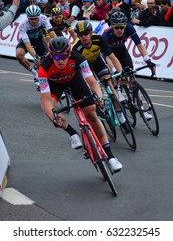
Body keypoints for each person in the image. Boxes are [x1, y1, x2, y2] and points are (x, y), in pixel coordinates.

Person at [38, 36, 123, 173]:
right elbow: (47, 100)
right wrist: (52, 114)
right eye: (56, 57)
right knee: (48, 110)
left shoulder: (78, 58)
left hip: (74, 80)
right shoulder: (44, 68)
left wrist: (99, 97)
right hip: (55, 85)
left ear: (69, 53)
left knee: (92, 115)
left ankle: (111, 157)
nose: (60, 60)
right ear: (51, 55)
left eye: (63, 56)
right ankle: (72, 134)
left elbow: (92, 82)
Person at [73, 20, 130, 133]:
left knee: (109, 83)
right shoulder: (76, 49)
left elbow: (113, 57)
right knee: (90, 88)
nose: (83, 37)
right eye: (80, 35)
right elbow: (79, 71)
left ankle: (121, 117)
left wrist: (121, 72)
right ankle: (97, 106)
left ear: (91, 33)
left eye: (86, 33)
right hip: (85, 68)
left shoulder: (99, 39)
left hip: (97, 61)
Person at [102, 11, 156, 120]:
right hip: (110, 55)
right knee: (114, 75)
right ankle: (117, 91)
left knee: (132, 79)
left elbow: (139, 45)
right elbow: (107, 57)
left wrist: (148, 60)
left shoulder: (130, 28)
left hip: (122, 52)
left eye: (122, 27)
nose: (119, 30)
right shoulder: (106, 35)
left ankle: (141, 108)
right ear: (112, 26)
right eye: (116, 27)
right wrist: (114, 70)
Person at [16, 4, 56, 89]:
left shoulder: (43, 18)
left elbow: (51, 33)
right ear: (27, 17)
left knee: (44, 61)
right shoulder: (23, 25)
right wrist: (34, 56)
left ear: (39, 16)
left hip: (38, 39)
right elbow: (27, 44)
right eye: (31, 19)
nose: (34, 21)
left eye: (35, 18)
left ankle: (48, 79)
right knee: (19, 54)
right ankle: (35, 74)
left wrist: (58, 43)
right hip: (28, 41)